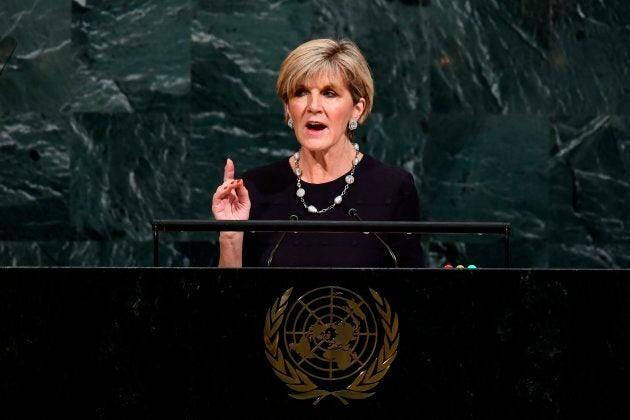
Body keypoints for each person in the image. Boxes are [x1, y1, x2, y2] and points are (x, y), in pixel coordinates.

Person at [211, 38, 424, 268]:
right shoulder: (256, 188)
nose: (313, 106)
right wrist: (230, 236)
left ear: (357, 109)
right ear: (288, 108)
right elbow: (230, 300)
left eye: (329, 93)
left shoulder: (392, 187)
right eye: (301, 92)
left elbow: (411, 294)